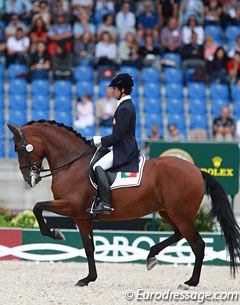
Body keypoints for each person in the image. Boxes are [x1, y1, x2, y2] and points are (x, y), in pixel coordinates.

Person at [90, 73, 139, 214]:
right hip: (123, 147)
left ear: (123, 89)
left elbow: (117, 136)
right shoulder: (125, 105)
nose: (112, 91)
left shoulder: (125, 108)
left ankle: (105, 203)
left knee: (98, 166)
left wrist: (100, 140)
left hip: (124, 150)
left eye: (115, 88)